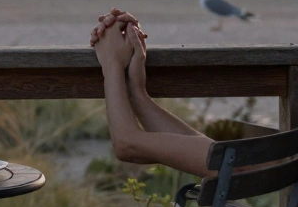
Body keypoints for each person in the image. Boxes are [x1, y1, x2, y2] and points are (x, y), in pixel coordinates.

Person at [89, 9, 215, 177]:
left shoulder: (238, 162)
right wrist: (136, 92)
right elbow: (214, 156)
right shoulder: (247, 160)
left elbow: (127, 144)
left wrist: (112, 65)